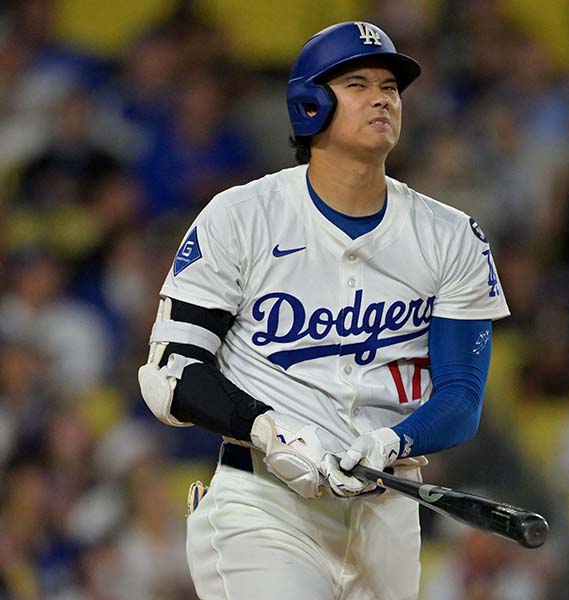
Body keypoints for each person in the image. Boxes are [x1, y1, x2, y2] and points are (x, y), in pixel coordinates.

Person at [136, 21, 509, 600]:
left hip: (388, 507)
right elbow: (172, 375)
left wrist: (394, 443)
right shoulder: (242, 216)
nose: (381, 97)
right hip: (263, 501)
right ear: (309, 104)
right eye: (357, 83)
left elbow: (461, 397)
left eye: (390, 86)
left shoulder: (451, 236)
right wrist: (269, 430)